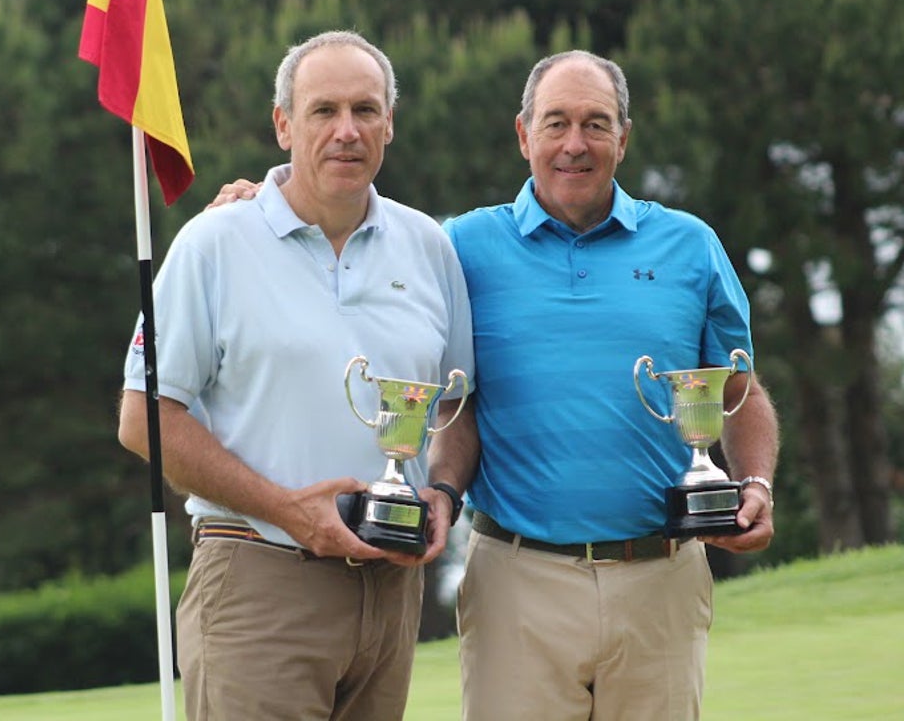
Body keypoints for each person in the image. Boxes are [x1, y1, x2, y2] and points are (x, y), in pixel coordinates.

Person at [210, 49, 780, 721]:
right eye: (556, 123)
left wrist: (756, 485)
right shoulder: (458, 247)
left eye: (596, 125)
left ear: (623, 139)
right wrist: (261, 207)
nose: (575, 144)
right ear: (522, 134)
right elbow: (356, 261)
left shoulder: (690, 245)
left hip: (662, 577)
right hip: (516, 577)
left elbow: (740, 393)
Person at [117, 29, 476, 721]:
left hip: (391, 591)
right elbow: (144, 420)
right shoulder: (215, 243)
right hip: (260, 578)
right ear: (284, 125)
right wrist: (290, 513)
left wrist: (444, 494)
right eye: (323, 111)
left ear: (389, 124)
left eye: (366, 110)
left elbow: (459, 409)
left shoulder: (428, 245)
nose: (347, 131)